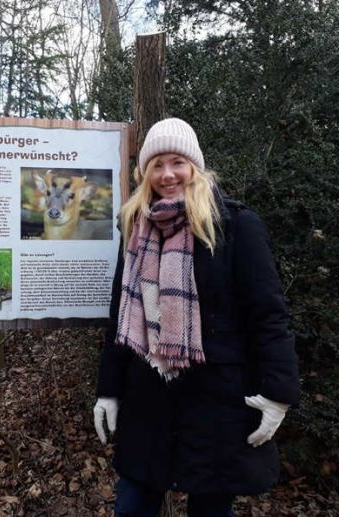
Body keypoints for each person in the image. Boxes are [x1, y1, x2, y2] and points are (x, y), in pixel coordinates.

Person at [93, 119, 299, 516]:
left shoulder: (235, 226)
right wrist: (109, 389)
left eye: (177, 162)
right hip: (148, 398)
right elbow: (120, 312)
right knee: (133, 505)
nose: (167, 174)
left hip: (216, 404)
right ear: (145, 172)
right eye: (157, 164)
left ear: (195, 166)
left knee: (210, 508)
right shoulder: (135, 227)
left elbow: (269, 316)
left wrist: (278, 394)